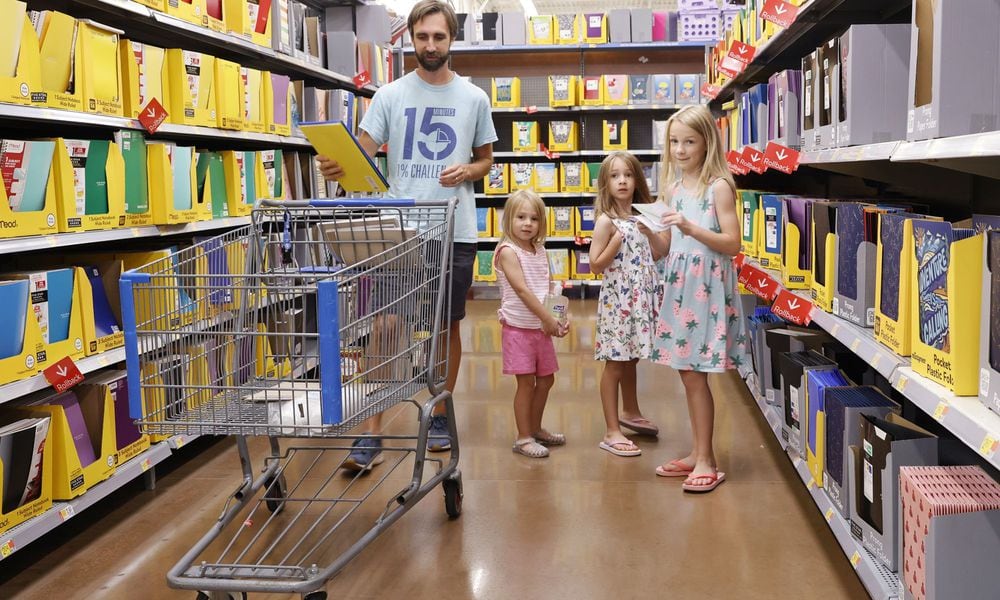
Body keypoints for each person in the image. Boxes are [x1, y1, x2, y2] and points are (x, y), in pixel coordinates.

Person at [317, 0, 498, 470]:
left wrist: (469, 169)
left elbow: (486, 160)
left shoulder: (474, 98)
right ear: (410, 40)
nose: (430, 46)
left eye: (439, 37)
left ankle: (439, 413)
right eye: (422, 37)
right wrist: (339, 163)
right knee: (384, 326)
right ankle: (371, 431)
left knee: (444, 327)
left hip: (454, 229)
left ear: (451, 39)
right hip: (398, 232)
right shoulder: (389, 96)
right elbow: (363, 154)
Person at [651, 104, 749, 492]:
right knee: (686, 373)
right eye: (674, 141)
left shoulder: (718, 187)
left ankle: (706, 458)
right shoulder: (673, 189)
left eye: (689, 141)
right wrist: (648, 231)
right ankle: (697, 452)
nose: (680, 149)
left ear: (707, 141)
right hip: (679, 289)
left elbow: (733, 244)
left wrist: (691, 227)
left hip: (706, 291)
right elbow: (665, 246)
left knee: (696, 376)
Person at [588, 151, 670, 457]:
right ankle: (611, 430)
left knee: (631, 357)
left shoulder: (645, 216)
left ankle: (631, 411)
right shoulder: (605, 221)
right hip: (618, 302)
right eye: (614, 176)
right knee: (616, 362)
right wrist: (614, 243)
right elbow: (596, 265)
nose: (622, 181)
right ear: (605, 183)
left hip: (641, 299)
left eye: (628, 174)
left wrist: (652, 233)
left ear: (638, 179)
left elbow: (660, 252)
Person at [493, 190, 569, 458]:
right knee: (525, 383)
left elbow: (548, 287)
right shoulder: (507, 251)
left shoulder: (540, 250)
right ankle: (523, 437)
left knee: (546, 380)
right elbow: (523, 291)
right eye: (520, 217)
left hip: (541, 328)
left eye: (534, 218)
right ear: (508, 220)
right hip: (518, 330)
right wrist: (547, 318)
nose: (527, 223)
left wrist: (558, 318)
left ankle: (535, 428)